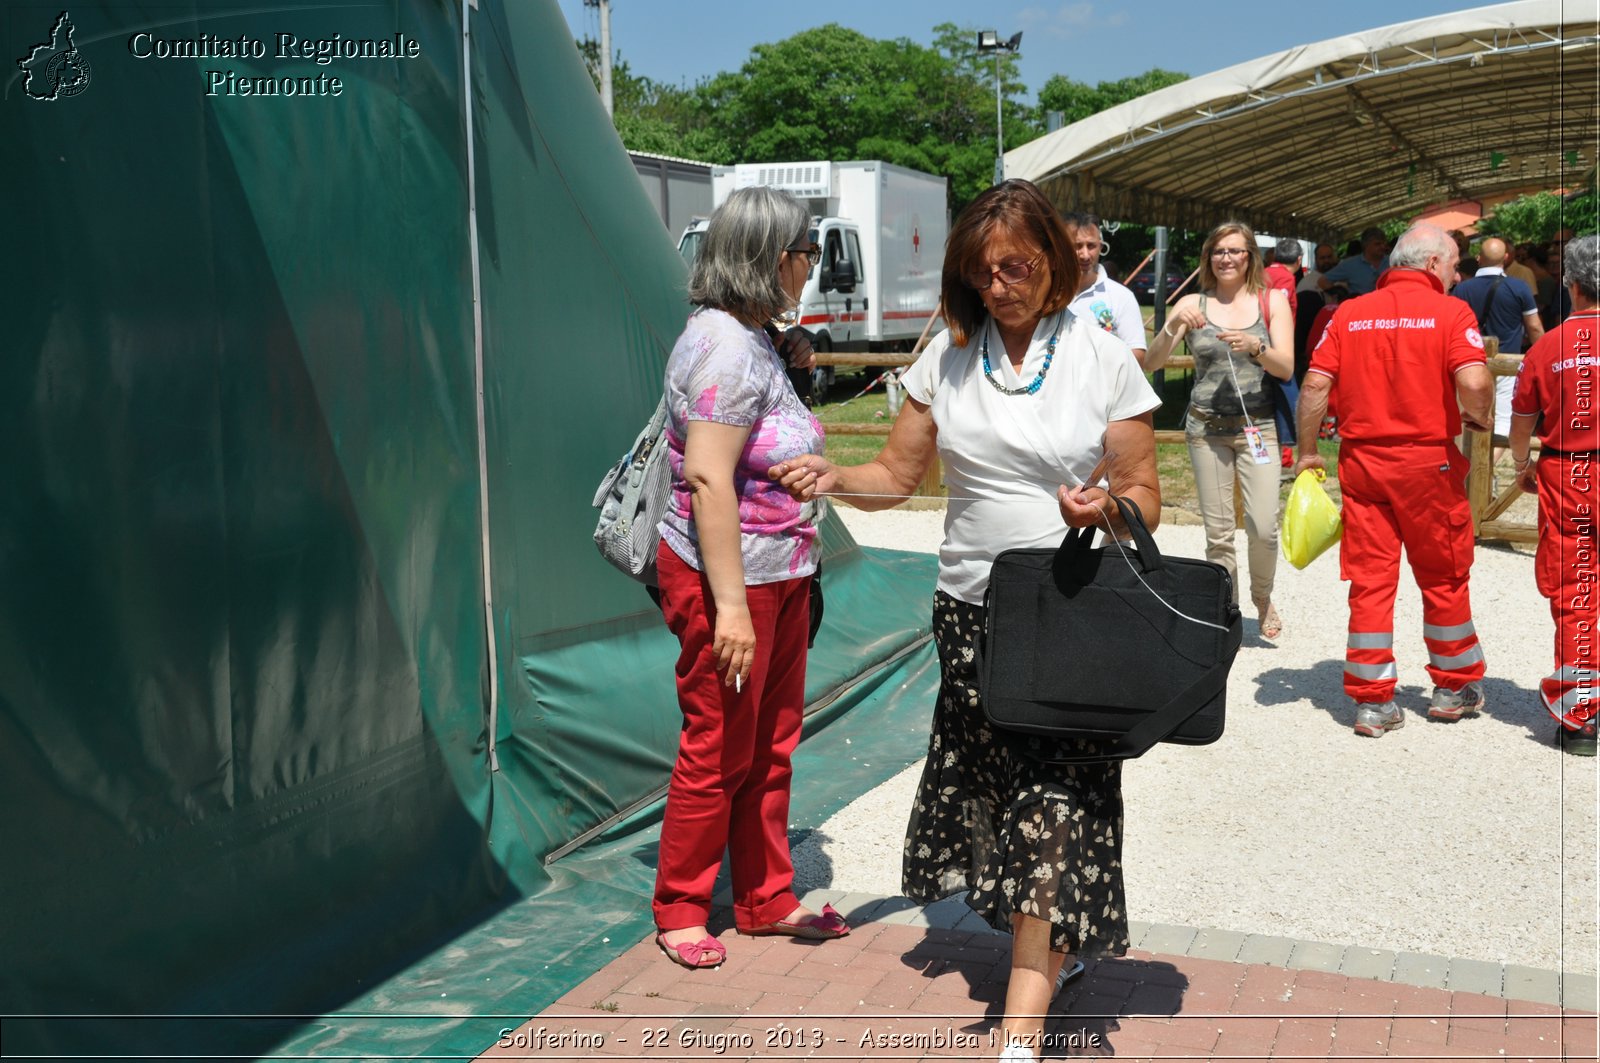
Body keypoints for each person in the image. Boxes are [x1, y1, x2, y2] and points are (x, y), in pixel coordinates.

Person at [769, 180, 1161, 1062]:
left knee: (1058, 799)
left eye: (1015, 268)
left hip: (1071, 614)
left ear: (1054, 264)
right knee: (1000, 796)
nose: (998, 287)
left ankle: (1020, 1025)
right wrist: (835, 480)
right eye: (982, 274)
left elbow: (1145, 495)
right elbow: (897, 476)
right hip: (969, 613)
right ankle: (1050, 947)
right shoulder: (946, 356)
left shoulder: (1103, 355)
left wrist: (1101, 507)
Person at [651, 185, 846, 970]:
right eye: (807, 252)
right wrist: (729, 607)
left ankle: (766, 896)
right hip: (733, 580)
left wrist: (789, 357)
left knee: (771, 741)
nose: (812, 266)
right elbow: (706, 476)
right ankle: (682, 907)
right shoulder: (729, 345)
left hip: (780, 568)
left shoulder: (750, 336)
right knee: (720, 745)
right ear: (773, 258)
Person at [1293, 223, 1495, 738]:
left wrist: (1310, 451)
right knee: (1444, 574)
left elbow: (1315, 385)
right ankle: (1452, 687)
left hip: (1362, 463)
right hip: (1429, 463)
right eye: (1452, 266)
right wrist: (1478, 418)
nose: (1455, 276)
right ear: (1431, 265)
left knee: (1371, 579)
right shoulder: (1452, 312)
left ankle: (1372, 700)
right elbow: (1473, 380)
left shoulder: (1349, 313)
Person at [1146, 221, 1295, 641]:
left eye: (1235, 251)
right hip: (1206, 429)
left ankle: (1262, 596)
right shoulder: (1194, 302)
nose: (1226, 258)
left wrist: (1257, 348)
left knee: (1264, 526)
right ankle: (1224, 604)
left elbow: (1285, 367)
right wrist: (1174, 325)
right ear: (1208, 257)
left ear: (1250, 256)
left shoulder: (1272, 301)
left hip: (1258, 428)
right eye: (1218, 251)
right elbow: (1153, 363)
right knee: (1218, 532)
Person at [1508, 234, 1600, 756]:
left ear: (1572, 285)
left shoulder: (1549, 347)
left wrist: (1523, 467)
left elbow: (1521, 421)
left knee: (1575, 595)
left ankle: (1580, 717)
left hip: (1569, 475)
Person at [1451, 237, 1544, 460]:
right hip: (1507, 364)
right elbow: (1534, 327)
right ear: (1505, 258)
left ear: (1478, 259)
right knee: (1503, 420)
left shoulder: (1461, 289)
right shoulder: (1519, 288)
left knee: (1468, 418)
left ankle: (1472, 471)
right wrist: (1543, 358)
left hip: (1468, 364)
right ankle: (1485, 470)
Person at [1063, 211, 1147, 367]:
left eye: (1091, 246)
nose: (1085, 255)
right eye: (1077, 246)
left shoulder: (1121, 297)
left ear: (1101, 246)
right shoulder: (1048, 294)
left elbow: (1138, 356)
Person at [1319, 227, 1389, 295]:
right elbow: (1323, 281)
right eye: (1377, 244)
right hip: (1361, 305)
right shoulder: (1350, 264)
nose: (1382, 246)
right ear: (1366, 245)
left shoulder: (1392, 261)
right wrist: (1340, 295)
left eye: (1383, 243)